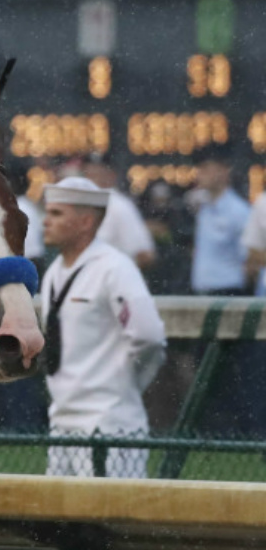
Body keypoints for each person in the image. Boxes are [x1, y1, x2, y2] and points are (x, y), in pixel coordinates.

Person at [40, 177, 166, 478]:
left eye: (57, 214)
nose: (46, 221)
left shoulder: (115, 267)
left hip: (109, 421)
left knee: (110, 521)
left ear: (85, 222)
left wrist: (124, 383)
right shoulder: (54, 272)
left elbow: (149, 336)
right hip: (62, 419)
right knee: (59, 521)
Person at [188, 142, 250, 296]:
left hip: (229, 291)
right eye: (199, 169)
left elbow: (250, 260)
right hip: (201, 291)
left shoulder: (239, 211)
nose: (199, 174)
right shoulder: (202, 206)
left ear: (223, 171)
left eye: (206, 169)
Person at [80, 151, 156, 270]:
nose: (92, 178)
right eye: (89, 173)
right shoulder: (79, 205)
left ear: (111, 175)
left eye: (98, 173)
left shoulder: (120, 205)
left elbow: (145, 255)